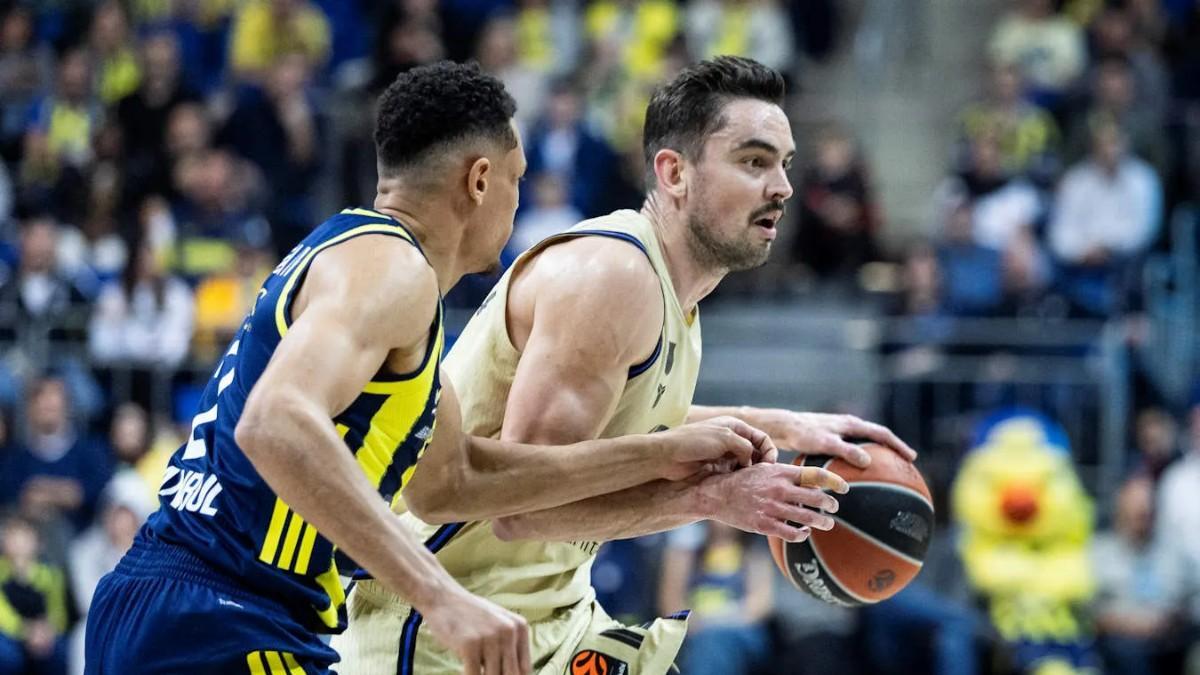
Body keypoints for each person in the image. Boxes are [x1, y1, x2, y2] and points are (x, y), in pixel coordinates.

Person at [83, 60, 787, 675]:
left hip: (195, 601)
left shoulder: (384, 278)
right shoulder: (393, 267)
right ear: (480, 181)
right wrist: (441, 595)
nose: (519, 201)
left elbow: (460, 482)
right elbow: (274, 422)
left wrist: (668, 457)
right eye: (517, 179)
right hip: (221, 608)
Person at [335, 56, 914, 675]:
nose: (783, 187)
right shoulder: (614, 276)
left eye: (784, 164)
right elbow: (523, 509)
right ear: (674, 174)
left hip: (551, 618)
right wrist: (715, 498)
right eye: (754, 162)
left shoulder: (675, 296)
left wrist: (781, 426)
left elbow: (620, 424)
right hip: (444, 626)